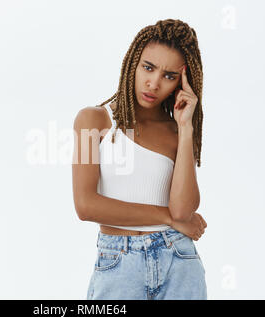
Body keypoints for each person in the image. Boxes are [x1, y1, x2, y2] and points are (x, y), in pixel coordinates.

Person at [72, 19, 208, 300]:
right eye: (148, 67)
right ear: (132, 63)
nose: (154, 83)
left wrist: (186, 129)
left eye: (169, 76)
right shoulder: (92, 120)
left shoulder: (176, 132)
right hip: (119, 263)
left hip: (179, 261)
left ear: (181, 83)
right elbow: (85, 206)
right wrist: (167, 218)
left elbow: (183, 212)